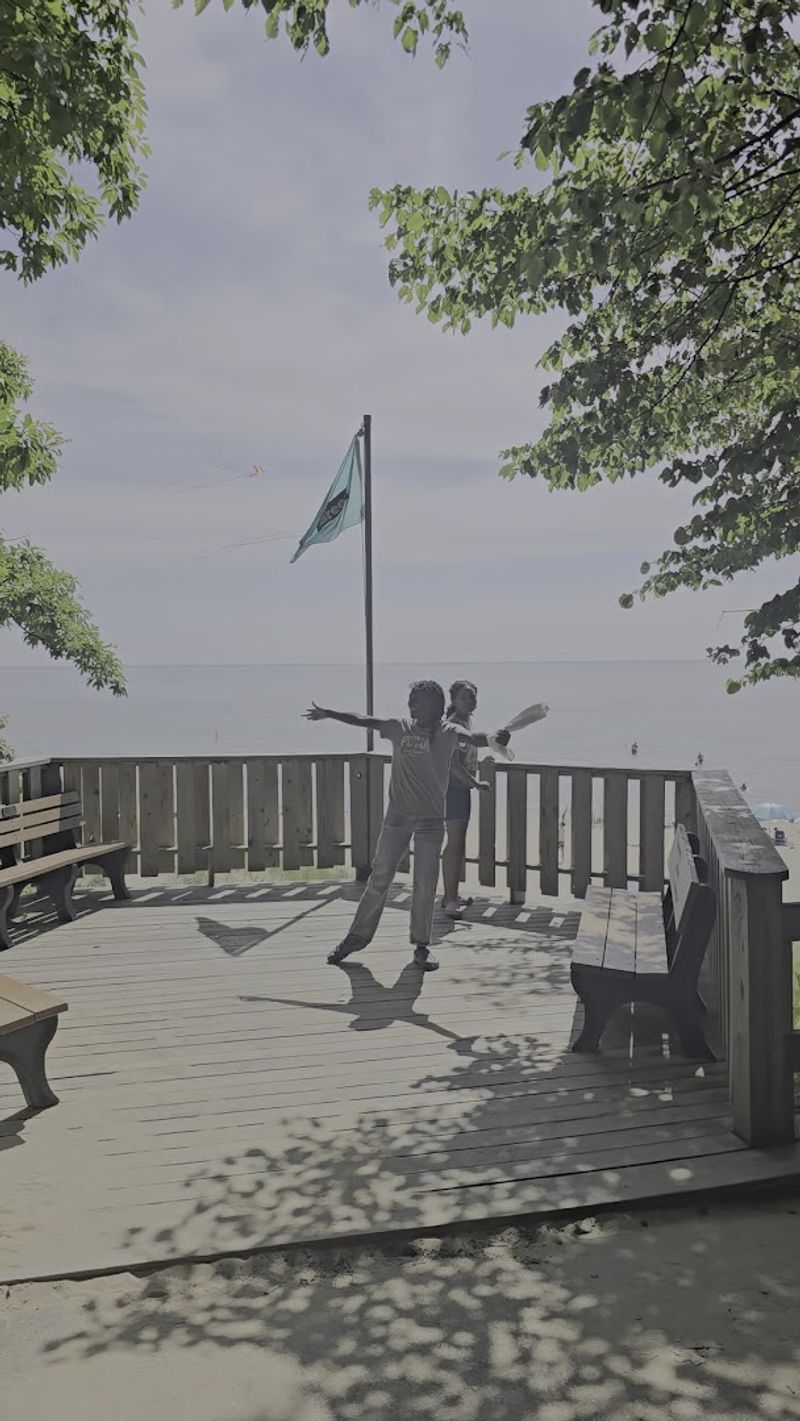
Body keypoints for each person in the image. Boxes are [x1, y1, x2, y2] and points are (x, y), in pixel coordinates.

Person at [305, 681, 505, 971]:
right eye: (411, 702)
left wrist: (494, 738)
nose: (412, 707)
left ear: (436, 707)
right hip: (397, 818)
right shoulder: (400, 727)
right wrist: (329, 713)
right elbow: (364, 720)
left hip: (430, 822)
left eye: (418, 702)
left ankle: (422, 947)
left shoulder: (448, 731)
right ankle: (356, 937)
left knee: (425, 885)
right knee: (379, 878)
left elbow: (472, 737)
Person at [440, 680, 511, 918]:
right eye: (466, 696)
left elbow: (466, 756)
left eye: (473, 696)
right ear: (453, 700)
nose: (471, 701)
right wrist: (475, 783)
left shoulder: (465, 722)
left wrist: (481, 765)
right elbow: (451, 763)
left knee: (458, 843)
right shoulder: (452, 724)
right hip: (452, 789)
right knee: (454, 842)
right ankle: (449, 900)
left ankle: (452, 893)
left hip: (461, 789)